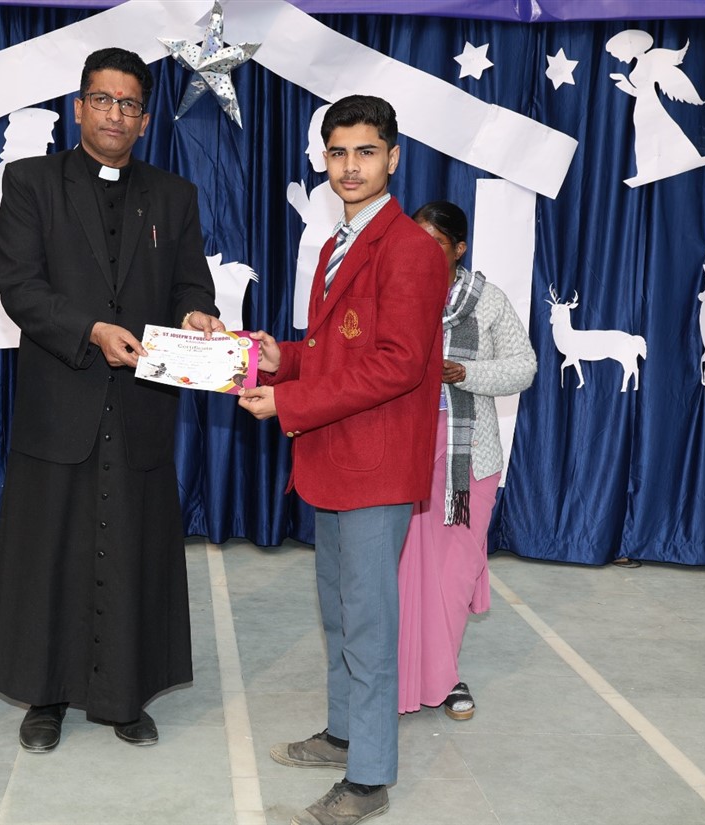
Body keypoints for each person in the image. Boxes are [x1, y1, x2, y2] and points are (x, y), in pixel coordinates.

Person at [0, 47, 222, 754]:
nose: (114, 114)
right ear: (78, 107)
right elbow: (19, 287)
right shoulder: (30, 182)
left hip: (142, 403)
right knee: (49, 552)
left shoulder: (174, 195)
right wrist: (89, 330)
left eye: (129, 104)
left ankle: (125, 695)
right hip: (61, 398)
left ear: (144, 120)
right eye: (102, 99)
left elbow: (191, 282)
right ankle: (46, 695)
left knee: (132, 551)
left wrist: (196, 314)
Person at [238, 96, 448, 825]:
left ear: (393, 157)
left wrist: (288, 401)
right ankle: (343, 734)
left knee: (368, 623)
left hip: (374, 467)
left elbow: (397, 365)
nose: (350, 166)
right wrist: (285, 359)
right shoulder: (336, 243)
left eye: (365, 152)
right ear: (323, 159)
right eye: (337, 152)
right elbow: (340, 350)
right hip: (333, 457)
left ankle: (370, 777)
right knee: (338, 611)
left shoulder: (411, 248)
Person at [397, 201, 537, 721]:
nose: (422, 251)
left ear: (459, 249)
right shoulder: (392, 290)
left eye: (435, 243)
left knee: (452, 574)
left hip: (469, 458)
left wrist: (466, 374)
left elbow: (524, 367)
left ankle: (444, 677)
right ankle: (397, 679)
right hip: (402, 451)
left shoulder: (488, 301)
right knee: (404, 571)